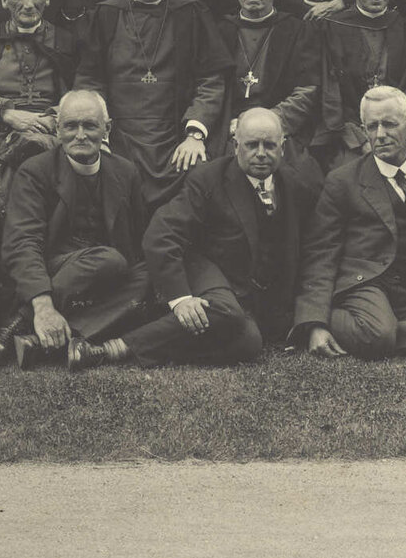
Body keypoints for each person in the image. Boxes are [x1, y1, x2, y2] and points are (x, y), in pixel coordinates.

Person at [94, 107, 321, 369]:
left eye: (269, 145)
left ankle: (152, 345)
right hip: (206, 277)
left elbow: (312, 249)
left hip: (252, 303)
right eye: (252, 145)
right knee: (228, 313)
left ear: (282, 146)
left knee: (249, 342)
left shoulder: (296, 186)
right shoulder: (208, 179)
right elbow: (161, 235)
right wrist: (180, 299)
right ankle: (114, 348)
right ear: (236, 146)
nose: (261, 153)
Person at [294, 86, 406, 360]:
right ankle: (356, 324)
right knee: (379, 335)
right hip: (365, 283)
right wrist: (315, 322)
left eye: (389, 125)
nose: (380, 135)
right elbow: (321, 254)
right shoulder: (343, 180)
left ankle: (377, 330)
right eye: (371, 126)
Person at [0, 89, 153, 369]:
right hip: (50, 272)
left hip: (105, 281)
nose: (80, 135)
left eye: (89, 125)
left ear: (107, 129)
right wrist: (42, 306)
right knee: (108, 259)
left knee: (150, 272)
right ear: (58, 129)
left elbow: (137, 238)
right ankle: (29, 319)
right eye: (70, 126)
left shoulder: (126, 173)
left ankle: (33, 340)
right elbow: (22, 244)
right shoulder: (35, 171)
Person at [74, 0, 227, 213]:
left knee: (201, 178)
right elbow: (89, 81)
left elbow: (212, 80)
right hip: (119, 137)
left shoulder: (191, 14)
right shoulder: (106, 15)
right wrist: (100, 136)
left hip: (175, 137)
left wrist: (195, 135)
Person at [0, 0, 79, 215]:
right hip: (1, 128)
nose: (28, 4)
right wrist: (6, 114)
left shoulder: (65, 42)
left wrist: (55, 116)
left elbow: (78, 88)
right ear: (4, 0)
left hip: (53, 127)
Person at [315, 0, 406, 162]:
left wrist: (403, 134)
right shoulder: (331, 28)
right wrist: (360, 140)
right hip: (350, 135)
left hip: (402, 134)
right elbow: (329, 95)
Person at [215, 0, 320, 155]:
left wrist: (266, 123)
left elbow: (307, 91)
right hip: (228, 133)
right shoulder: (218, 32)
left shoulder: (299, 31)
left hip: (281, 135)